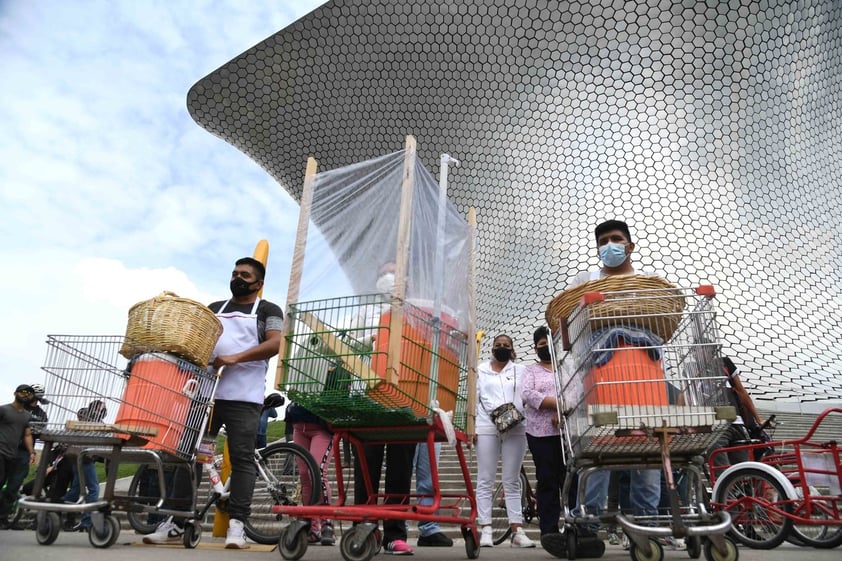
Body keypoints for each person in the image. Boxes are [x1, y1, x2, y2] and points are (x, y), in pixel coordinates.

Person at [144, 257, 283, 548]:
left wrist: (234, 357)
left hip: (243, 398)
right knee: (188, 455)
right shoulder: (214, 309)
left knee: (243, 460)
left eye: (245, 275)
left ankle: (237, 525)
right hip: (205, 396)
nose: (238, 278)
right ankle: (175, 520)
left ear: (258, 284)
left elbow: (274, 343)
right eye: (235, 273)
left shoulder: (268, 310)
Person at [543, 219, 662, 559]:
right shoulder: (585, 283)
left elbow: (661, 324)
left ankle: (646, 526)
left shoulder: (645, 285)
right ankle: (586, 529)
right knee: (598, 455)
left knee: (647, 455)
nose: (611, 245)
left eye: (617, 239)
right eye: (604, 240)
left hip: (642, 374)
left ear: (630, 246)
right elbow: (565, 325)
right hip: (600, 375)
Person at [352, 262, 416, 555]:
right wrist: (370, 340)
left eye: (394, 273)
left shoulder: (415, 313)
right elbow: (350, 343)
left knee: (400, 470)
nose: (388, 278)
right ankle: (364, 527)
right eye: (382, 274)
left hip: (404, 399)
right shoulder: (365, 312)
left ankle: (394, 533)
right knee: (366, 466)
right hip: (367, 398)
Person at [475, 334, 535, 548]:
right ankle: (486, 529)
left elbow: (526, 396)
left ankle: (517, 531)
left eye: (506, 346)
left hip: (516, 427)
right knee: (485, 478)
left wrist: (514, 415)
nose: (501, 348)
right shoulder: (481, 370)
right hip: (486, 426)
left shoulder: (521, 371)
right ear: (492, 348)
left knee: (511, 480)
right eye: (498, 345)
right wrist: (473, 426)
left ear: (512, 350)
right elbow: (476, 397)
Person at [520, 326, 568, 541]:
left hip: (567, 432)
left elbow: (576, 389)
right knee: (547, 478)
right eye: (541, 344)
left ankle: (575, 524)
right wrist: (556, 404)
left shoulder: (566, 367)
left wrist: (564, 409)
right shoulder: (530, 370)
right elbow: (527, 394)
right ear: (536, 347)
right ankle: (549, 530)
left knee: (568, 480)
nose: (545, 347)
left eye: (548, 343)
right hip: (540, 433)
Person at [286, 402, 335, 546]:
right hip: (299, 424)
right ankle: (312, 526)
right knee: (304, 475)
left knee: (316, 472)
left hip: (321, 427)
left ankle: (327, 524)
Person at [708, 356, 766, 470]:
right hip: (718, 423)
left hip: (735, 422)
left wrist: (758, 418)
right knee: (717, 452)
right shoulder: (694, 370)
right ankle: (727, 483)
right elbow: (684, 395)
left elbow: (741, 391)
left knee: (742, 471)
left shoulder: (724, 363)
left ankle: (728, 483)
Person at [62, 401, 107, 531]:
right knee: (94, 489)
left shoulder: (89, 421)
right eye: (99, 408)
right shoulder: (93, 422)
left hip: (78, 458)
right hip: (85, 458)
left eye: (102, 409)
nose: (101, 411)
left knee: (77, 489)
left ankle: (56, 506)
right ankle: (87, 521)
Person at [0, 385, 37, 528]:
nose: (25, 395)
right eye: (22, 392)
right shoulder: (4, 410)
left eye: (28, 394)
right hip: (0, 452)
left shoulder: (26, 416)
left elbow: (27, 434)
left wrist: (31, 452)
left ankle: (3, 518)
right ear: (15, 393)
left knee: (12, 487)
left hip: (13, 454)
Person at [413, 442, 454, 547]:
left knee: (429, 478)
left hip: (431, 427)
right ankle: (396, 527)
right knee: (402, 473)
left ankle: (428, 528)